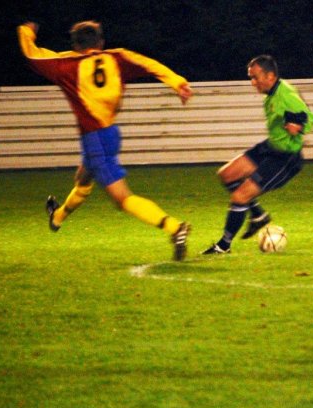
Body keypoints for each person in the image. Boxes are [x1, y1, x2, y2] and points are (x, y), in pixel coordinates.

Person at [18, 21, 192, 261]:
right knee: (82, 178)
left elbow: (31, 54)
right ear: (100, 42)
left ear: (75, 46)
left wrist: (26, 31)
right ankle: (57, 217)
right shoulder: (117, 57)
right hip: (109, 134)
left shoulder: (65, 65)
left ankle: (174, 227)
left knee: (122, 198)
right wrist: (177, 82)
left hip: (95, 138)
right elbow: (149, 64)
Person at [202, 55, 313, 254]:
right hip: (270, 148)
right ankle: (258, 216)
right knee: (226, 174)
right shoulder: (273, 92)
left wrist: (297, 125)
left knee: (240, 196)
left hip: (285, 159)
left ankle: (223, 245)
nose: (252, 83)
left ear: (270, 76)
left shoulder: (286, 95)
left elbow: (309, 117)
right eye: (250, 78)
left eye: (255, 77)